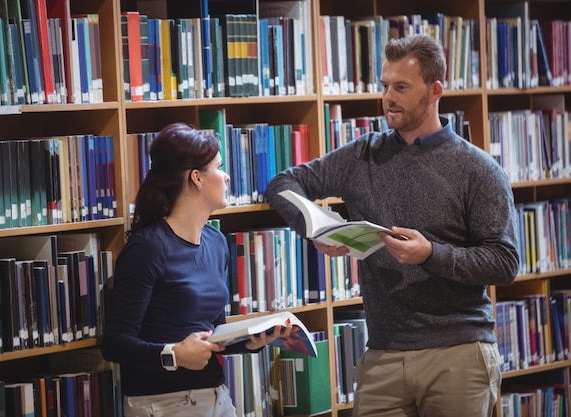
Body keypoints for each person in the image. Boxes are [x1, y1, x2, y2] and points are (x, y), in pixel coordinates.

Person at [265, 35, 519, 417]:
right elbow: (282, 184)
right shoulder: (362, 155)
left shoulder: (477, 169)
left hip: (458, 352)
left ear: (434, 91)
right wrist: (317, 229)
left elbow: (504, 262)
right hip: (382, 353)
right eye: (385, 86)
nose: (388, 97)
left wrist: (431, 255)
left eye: (401, 87)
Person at [102, 122, 291, 417]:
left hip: (217, 398)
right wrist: (173, 355)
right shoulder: (147, 248)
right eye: (219, 167)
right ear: (196, 179)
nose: (227, 176)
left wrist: (250, 342)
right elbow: (115, 344)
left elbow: (212, 334)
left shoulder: (216, 242)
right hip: (163, 404)